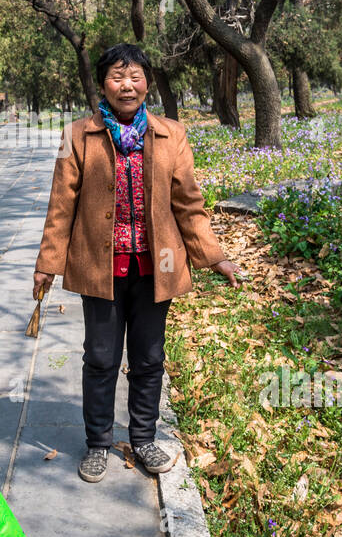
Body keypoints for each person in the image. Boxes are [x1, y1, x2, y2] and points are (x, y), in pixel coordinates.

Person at [33, 43, 239, 483]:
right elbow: (61, 205)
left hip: (155, 267)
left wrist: (214, 256)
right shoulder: (77, 135)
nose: (127, 86)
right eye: (116, 77)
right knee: (101, 358)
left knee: (149, 357)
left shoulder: (171, 134)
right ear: (102, 84)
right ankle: (97, 442)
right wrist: (47, 264)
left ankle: (144, 437)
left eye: (135, 77)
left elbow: (188, 203)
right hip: (99, 267)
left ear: (147, 82)